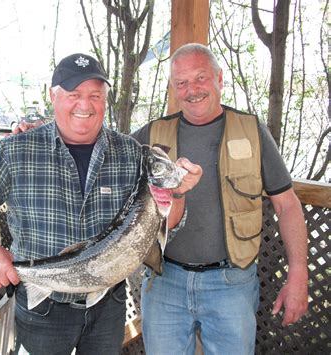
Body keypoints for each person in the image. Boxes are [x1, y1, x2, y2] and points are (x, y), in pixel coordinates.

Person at [0, 53, 202, 355]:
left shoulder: (131, 153)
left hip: (108, 306)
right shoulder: (17, 151)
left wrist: (177, 192)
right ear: (53, 96)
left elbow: (165, 225)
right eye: (74, 94)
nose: (85, 104)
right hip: (42, 308)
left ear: (105, 99)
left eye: (95, 95)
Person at [131, 43, 309, 355]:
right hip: (164, 281)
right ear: (173, 88)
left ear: (219, 78)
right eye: (182, 82)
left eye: (200, 78)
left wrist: (298, 275)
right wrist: (40, 131)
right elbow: (99, 155)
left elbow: (288, 204)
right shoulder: (152, 135)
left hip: (232, 282)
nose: (192, 90)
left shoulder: (252, 130)